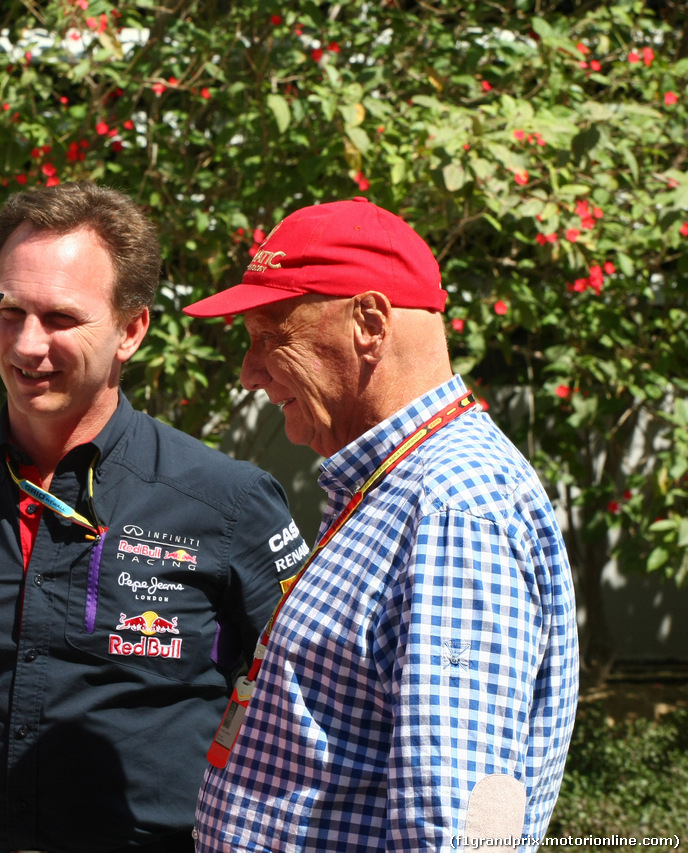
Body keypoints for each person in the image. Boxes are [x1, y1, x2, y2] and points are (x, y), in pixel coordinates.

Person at [185, 197, 580, 852]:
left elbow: (458, 831)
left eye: (267, 336)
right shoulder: (396, 482)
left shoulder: (456, 506)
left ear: (369, 322)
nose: (249, 372)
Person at [0, 182, 309, 853]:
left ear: (131, 329)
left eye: (59, 319)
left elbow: (304, 717)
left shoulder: (229, 502)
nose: (26, 345)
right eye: (11, 311)